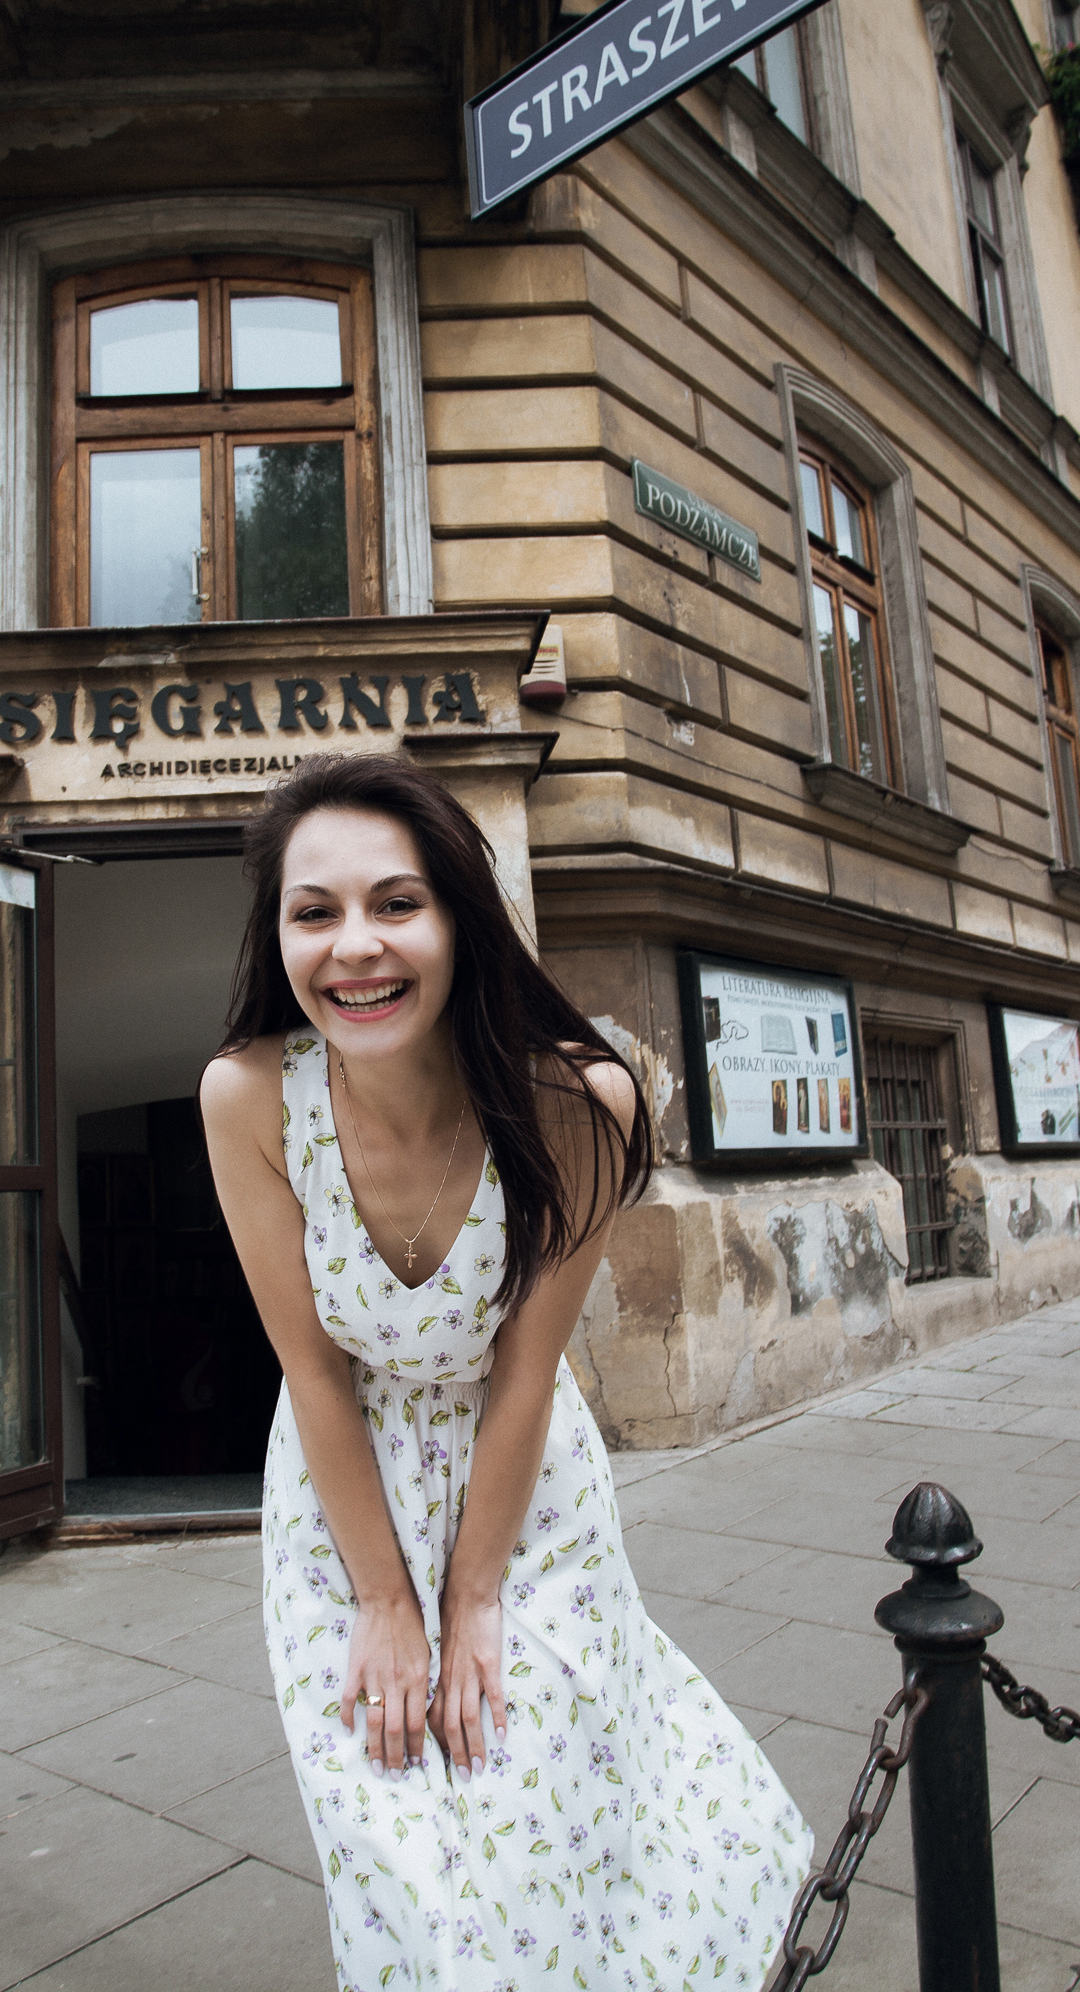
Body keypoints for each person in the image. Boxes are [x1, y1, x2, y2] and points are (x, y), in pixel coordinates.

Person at [202, 755, 810, 1990]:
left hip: (520, 1483)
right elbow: (312, 1373)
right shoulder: (249, 1097)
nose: (353, 946)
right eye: (313, 911)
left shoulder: (579, 1103)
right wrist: (385, 1601)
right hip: (341, 1494)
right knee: (394, 1839)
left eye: (394, 902)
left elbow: (523, 1374)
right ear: (278, 937)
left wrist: (471, 1596)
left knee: (533, 1802)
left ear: (460, 920)